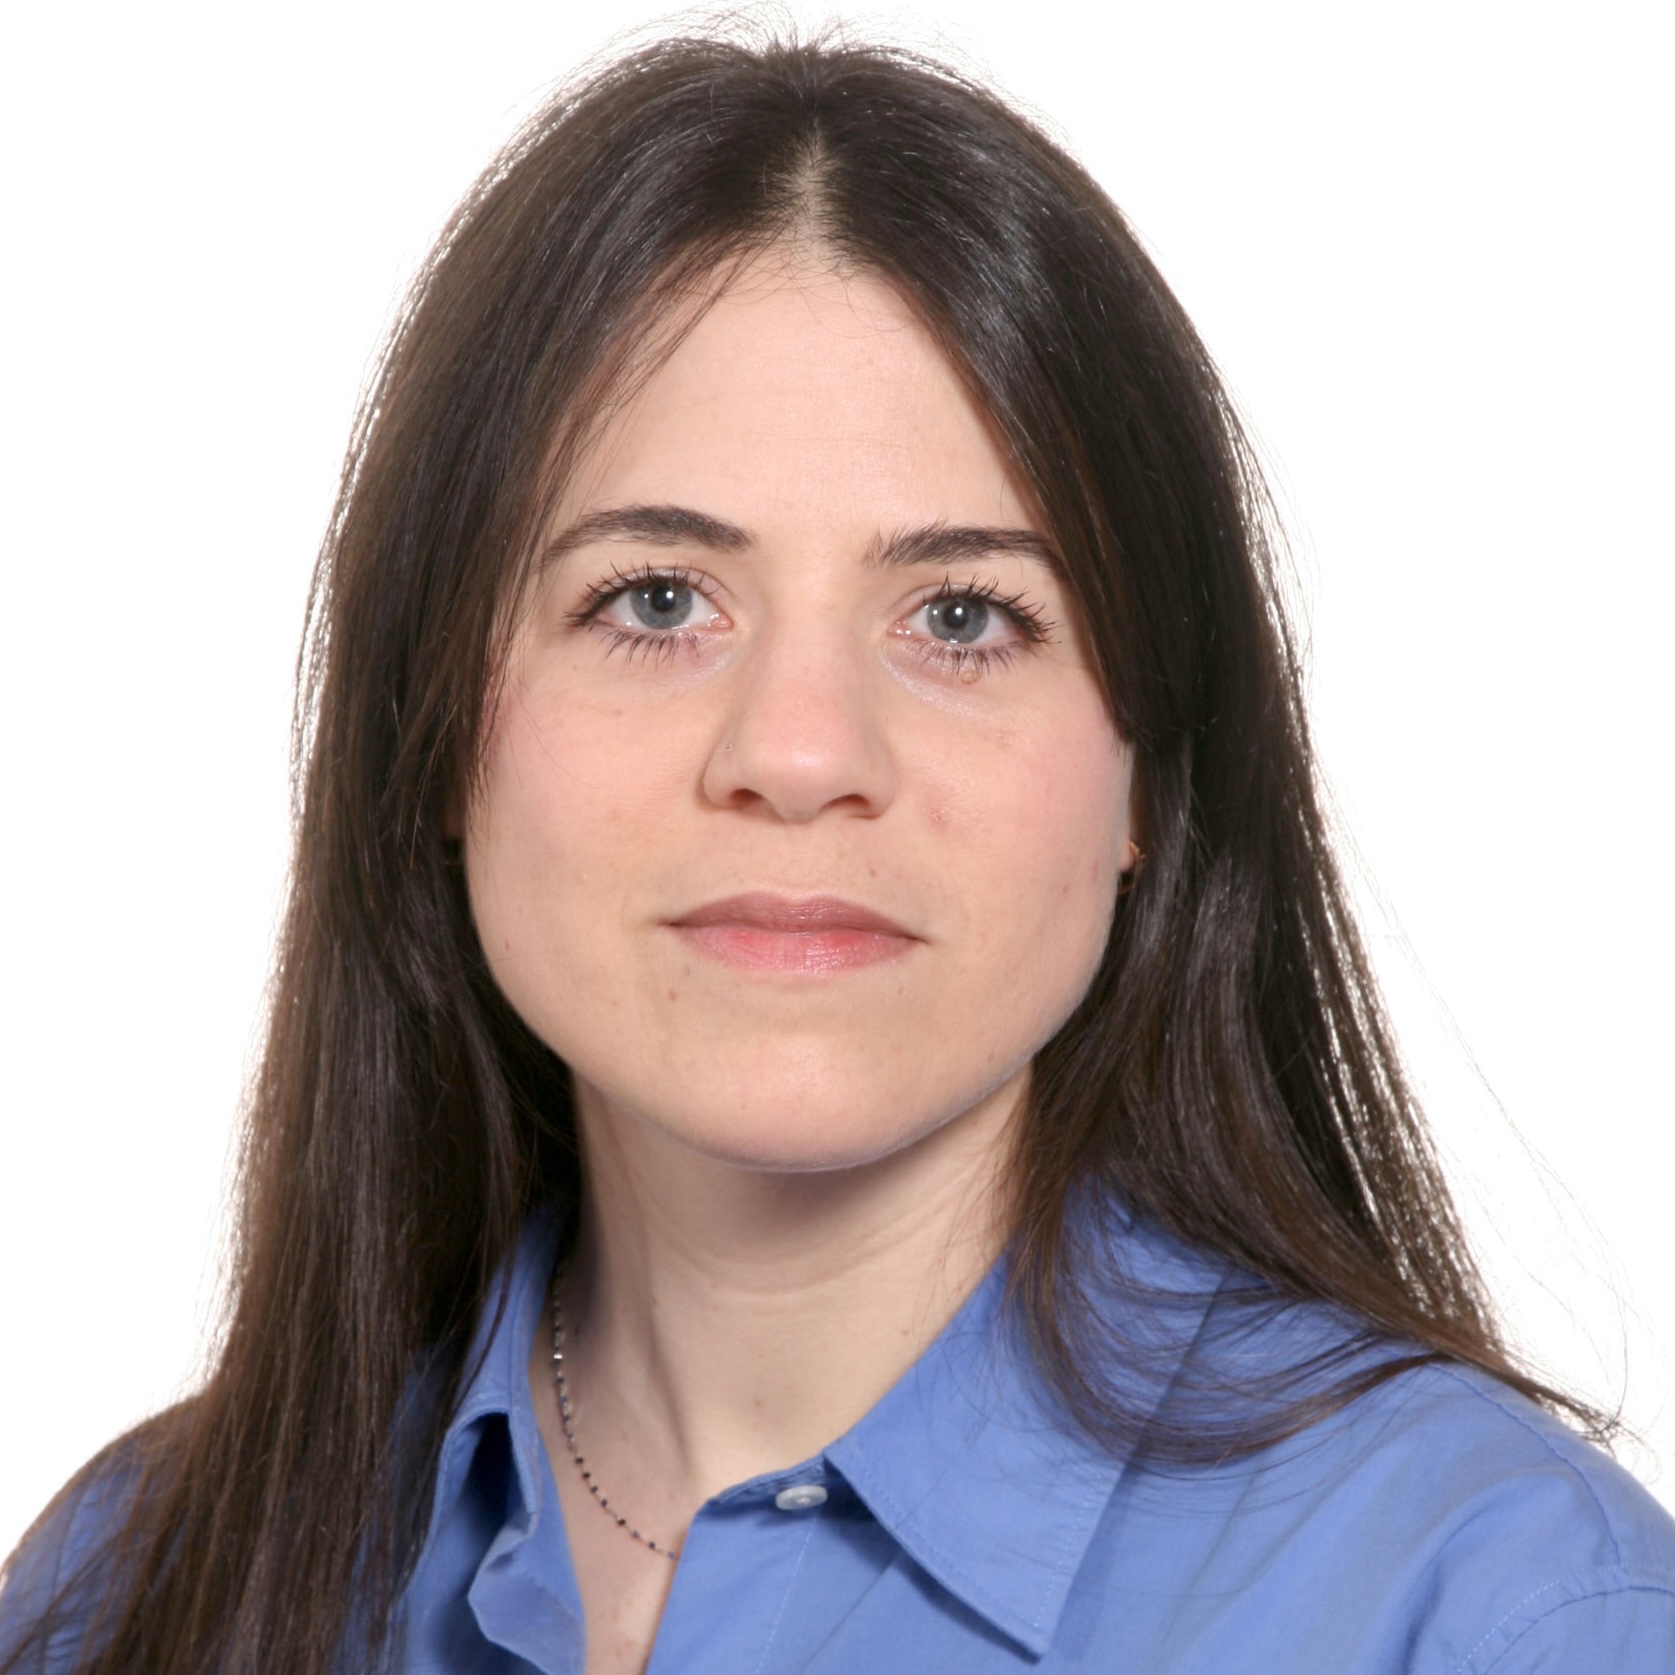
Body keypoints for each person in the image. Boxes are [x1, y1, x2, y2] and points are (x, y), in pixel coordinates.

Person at [3, 29, 1673, 1675]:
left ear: (1150, 779)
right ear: (435, 729)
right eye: (656, 599)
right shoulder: (123, 1595)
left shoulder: (1506, 1616)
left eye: (962, 617)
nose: (800, 755)